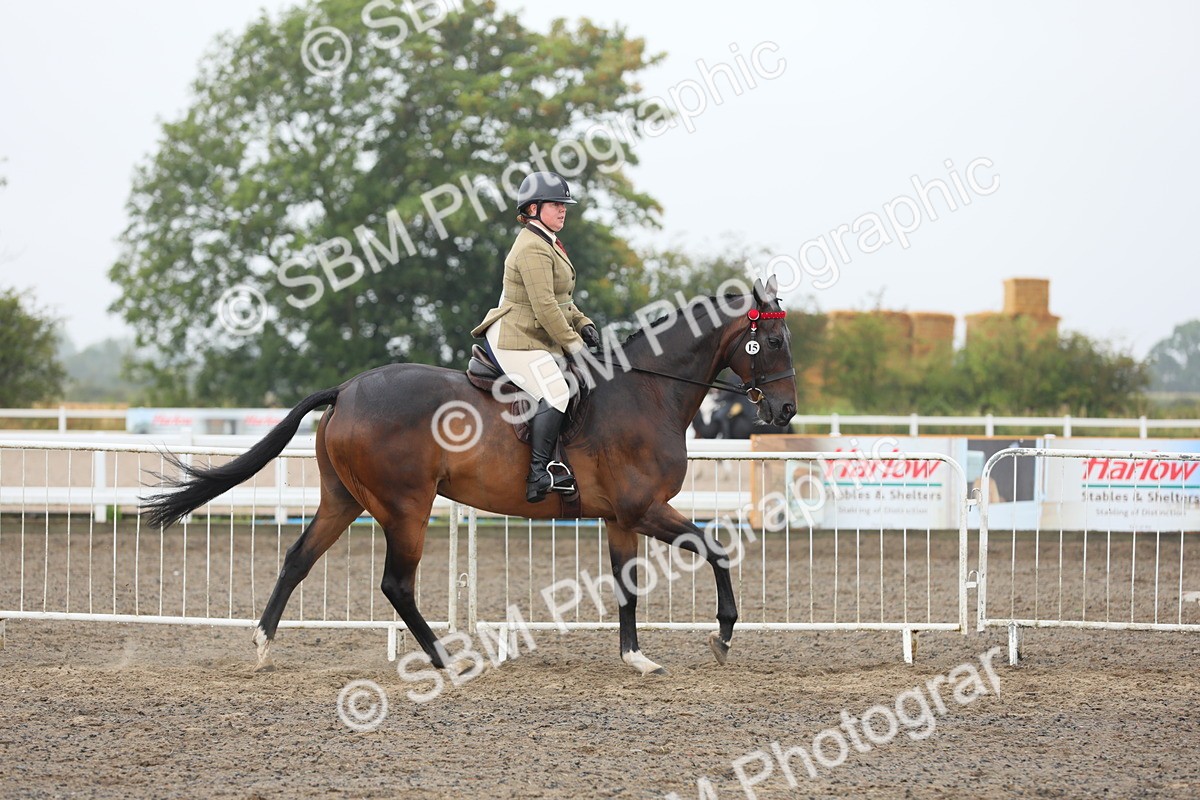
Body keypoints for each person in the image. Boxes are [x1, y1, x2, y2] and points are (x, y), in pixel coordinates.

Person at [471, 171, 601, 502]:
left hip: (536, 335)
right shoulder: (532, 247)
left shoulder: (549, 242)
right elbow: (545, 308)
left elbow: (562, 301)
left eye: (564, 205)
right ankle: (538, 474)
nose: (563, 210)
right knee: (557, 390)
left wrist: (583, 323)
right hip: (514, 338)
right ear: (532, 209)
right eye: (556, 204)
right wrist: (575, 346)